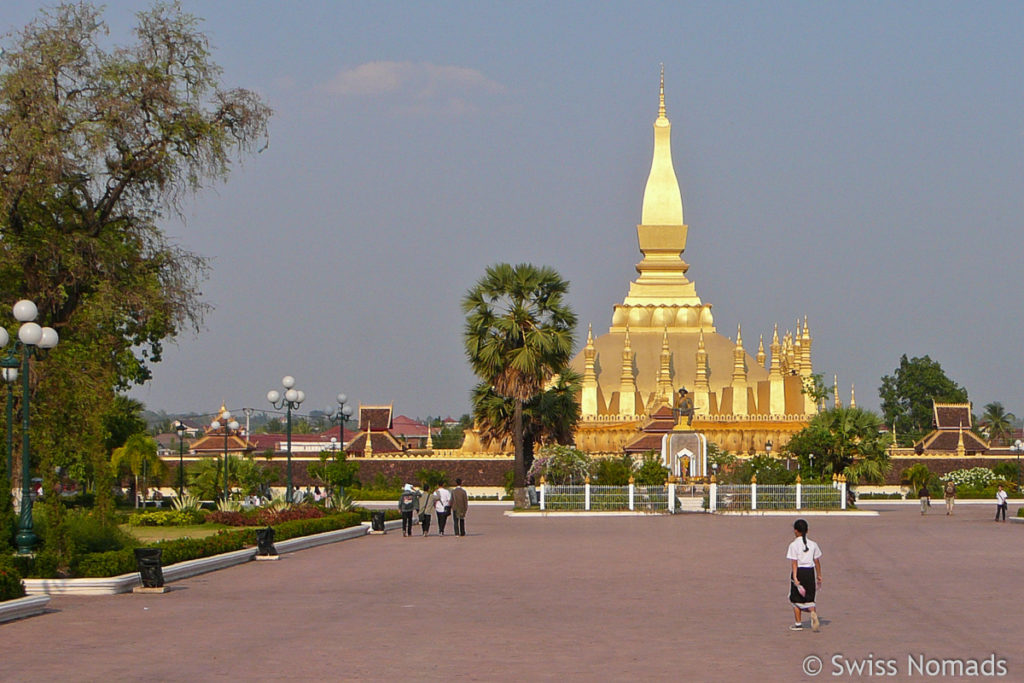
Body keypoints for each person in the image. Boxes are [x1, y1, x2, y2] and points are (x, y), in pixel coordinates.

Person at [787, 519, 822, 632]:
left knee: (795, 599)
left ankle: (798, 624)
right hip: (810, 572)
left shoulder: (793, 545)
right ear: (807, 531)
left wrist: (795, 578)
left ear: (796, 531)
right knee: (810, 598)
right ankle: (812, 613)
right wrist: (819, 575)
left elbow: (794, 563)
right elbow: (816, 561)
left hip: (800, 572)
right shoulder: (813, 544)